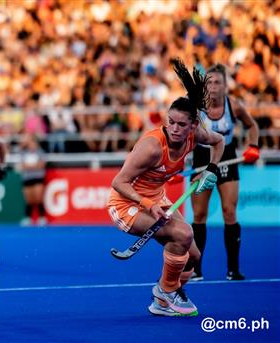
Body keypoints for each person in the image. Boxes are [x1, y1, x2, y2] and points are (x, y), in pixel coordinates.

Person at [107, 58, 225, 317]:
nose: (174, 128)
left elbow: (219, 142)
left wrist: (211, 170)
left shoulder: (196, 135)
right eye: (170, 121)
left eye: (181, 125)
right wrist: (149, 204)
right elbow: (119, 183)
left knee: (193, 256)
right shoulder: (151, 147)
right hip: (126, 204)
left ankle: (163, 300)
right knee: (182, 234)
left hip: (156, 200)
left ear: (193, 126)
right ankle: (166, 290)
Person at [190, 64, 260, 282]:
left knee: (229, 212)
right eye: (209, 82)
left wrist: (254, 146)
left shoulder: (234, 106)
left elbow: (253, 126)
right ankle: (196, 270)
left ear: (225, 86)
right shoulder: (196, 107)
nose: (212, 87)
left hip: (228, 158)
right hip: (202, 158)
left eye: (217, 82)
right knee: (199, 215)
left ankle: (233, 270)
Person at [18, 133, 47, 226]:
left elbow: (41, 165)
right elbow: (23, 165)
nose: (31, 144)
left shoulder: (40, 152)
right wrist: (33, 166)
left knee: (38, 198)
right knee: (29, 200)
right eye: (30, 142)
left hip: (38, 178)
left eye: (33, 142)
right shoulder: (24, 152)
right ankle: (28, 218)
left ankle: (42, 218)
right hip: (27, 178)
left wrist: (29, 166)